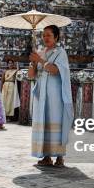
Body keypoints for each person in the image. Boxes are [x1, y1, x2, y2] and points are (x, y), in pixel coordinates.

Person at [28, 26, 73, 168]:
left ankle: (60, 157)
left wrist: (40, 60)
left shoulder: (60, 53)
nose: (45, 38)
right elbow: (31, 75)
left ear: (56, 37)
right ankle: (46, 156)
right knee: (44, 121)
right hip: (41, 94)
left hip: (55, 94)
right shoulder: (40, 52)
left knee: (55, 120)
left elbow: (54, 70)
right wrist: (33, 62)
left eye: (49, 35)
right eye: (43, 35)